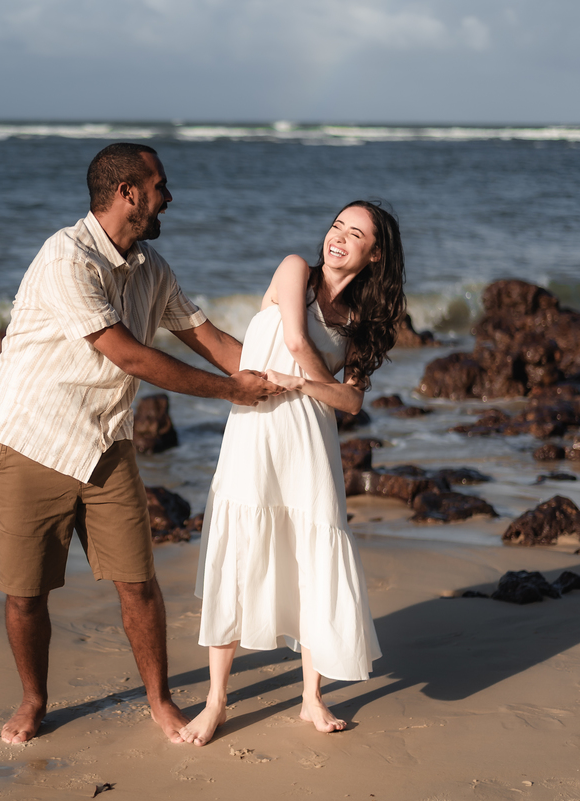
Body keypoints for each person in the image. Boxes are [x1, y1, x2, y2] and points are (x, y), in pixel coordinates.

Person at [0, 143, 277, 744]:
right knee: (26, 593)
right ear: (128, 194)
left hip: (105, 443)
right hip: (31, 440)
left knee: (138, 584)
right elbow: (130, 355)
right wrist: (230, 393)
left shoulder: (153, 268)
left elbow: (210, 337)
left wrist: (283, 380)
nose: (169, 196)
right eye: (161, 186)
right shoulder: (66, 257)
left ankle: (160, 701)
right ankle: (33, 701)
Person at [179, 200, 407, 746]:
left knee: (312, 562)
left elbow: (350, 404)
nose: (338, 238)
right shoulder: (293, 271)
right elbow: (301, 341)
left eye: (356, 235)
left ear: (374, 256)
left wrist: (306, 386)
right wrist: (324, 381)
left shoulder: (360, 324)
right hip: (254, 436)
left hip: (310, 445)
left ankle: (311, 698)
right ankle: (215, 703)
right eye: (336, 226)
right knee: (237, 556)